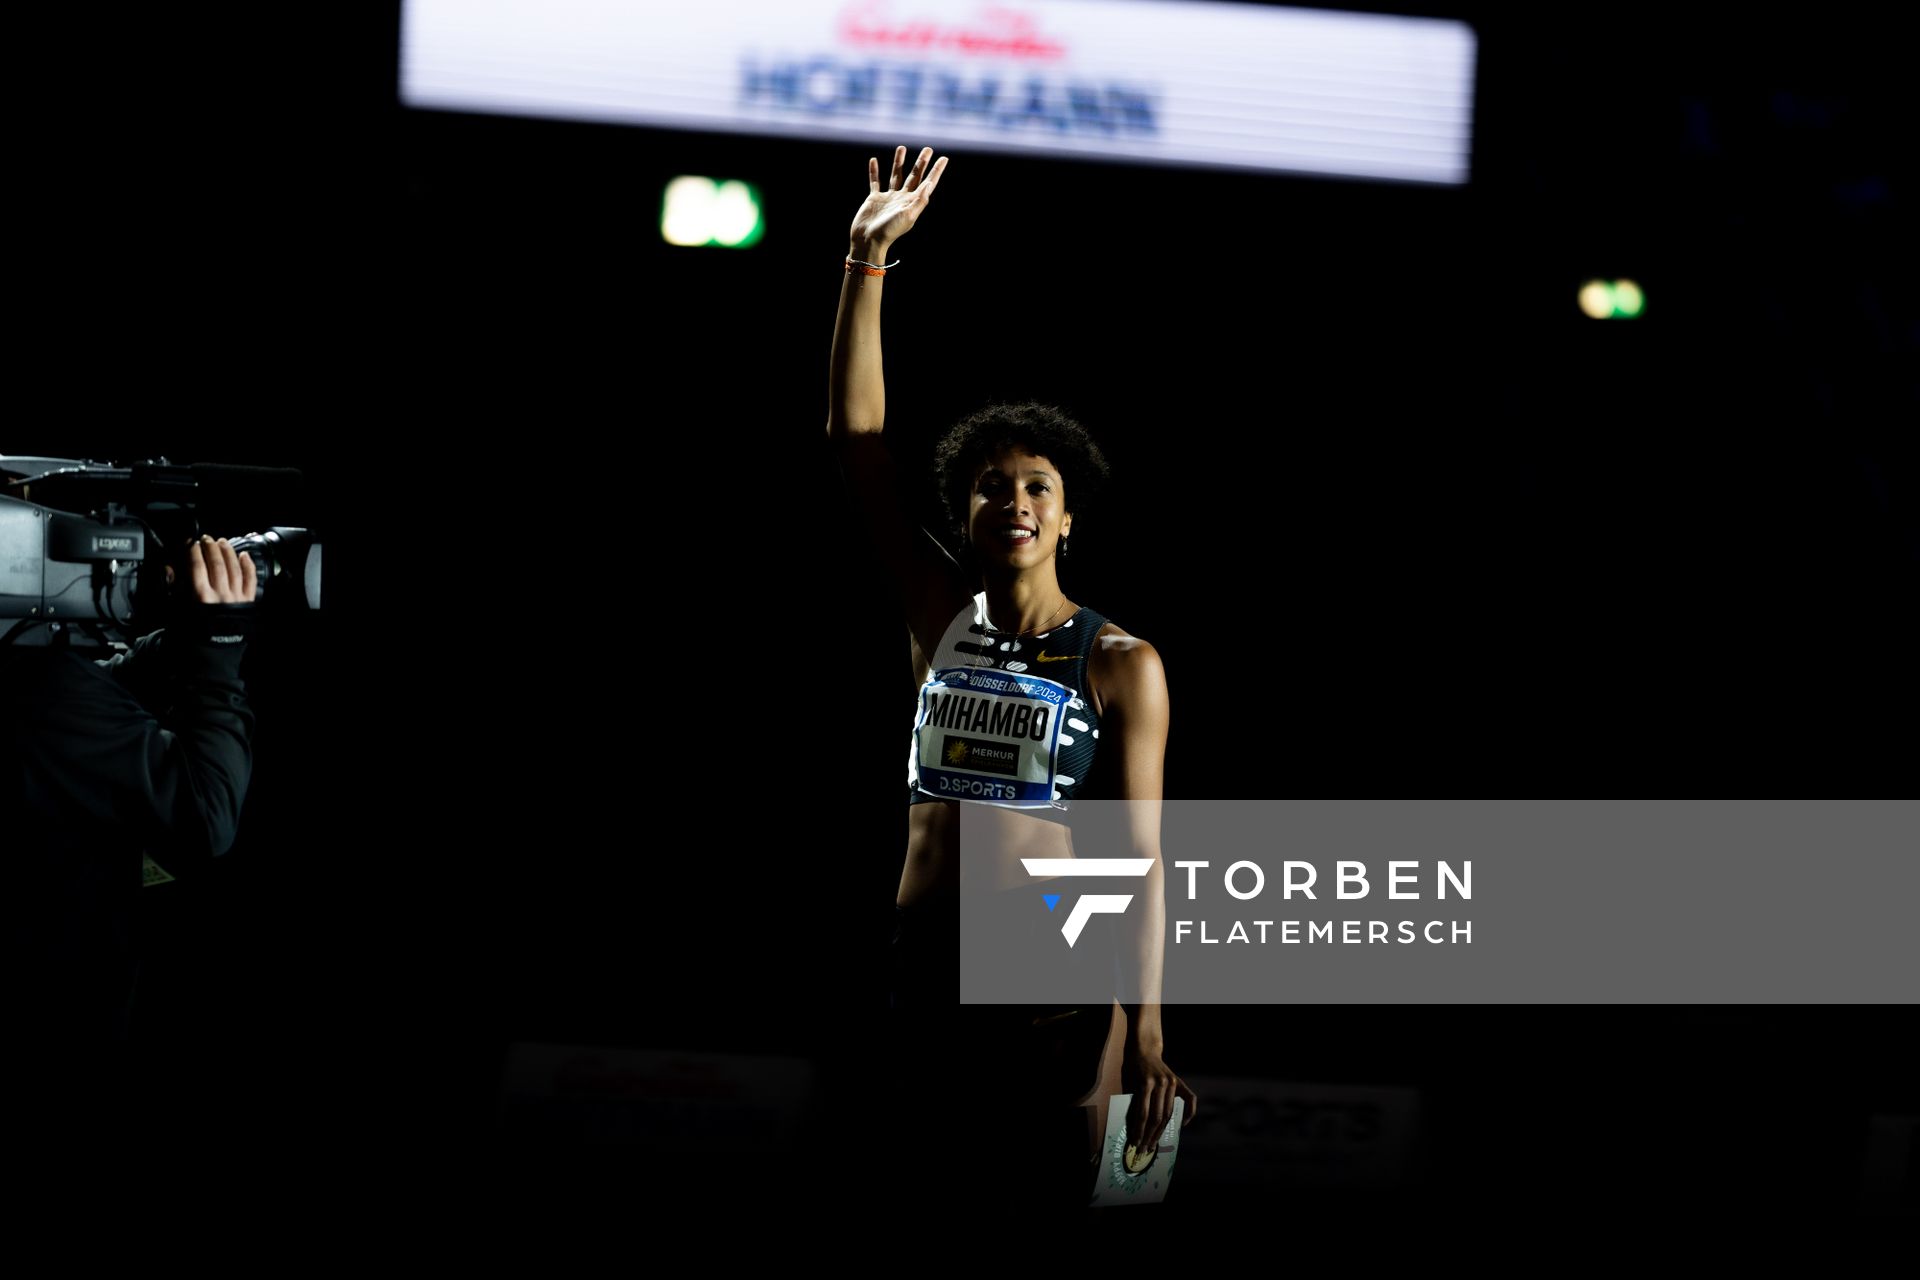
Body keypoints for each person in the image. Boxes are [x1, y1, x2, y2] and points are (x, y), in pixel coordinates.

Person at [828, 145, 1197, 1210]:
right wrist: (866, 261)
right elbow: (856, 444)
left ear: (1067, 515)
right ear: (969, 511)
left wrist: (1147, 1027)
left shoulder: (1123, 661)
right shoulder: (938, 612)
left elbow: (1139, 857)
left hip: (1049, 977)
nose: (1017, 499)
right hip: (922, 958)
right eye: (994, 485)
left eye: (1039, 484)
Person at [3, 535, 259, 1108]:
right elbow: (207, 813)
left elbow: (93, 695)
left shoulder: (30, 675)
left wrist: (181, 641)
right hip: (58, 1049)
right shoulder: (43, 688)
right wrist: (220, 649)